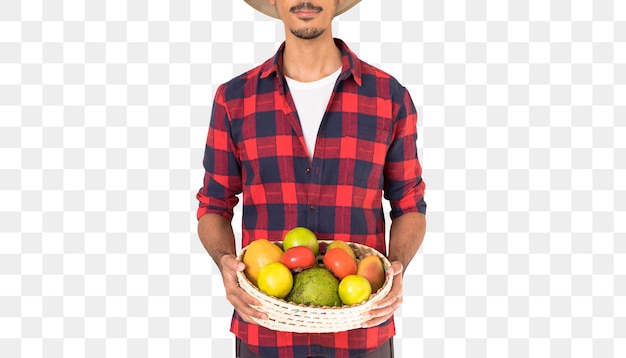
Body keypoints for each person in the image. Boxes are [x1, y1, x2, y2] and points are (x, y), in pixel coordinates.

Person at [196, 0, 426, 357]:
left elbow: (410, 204)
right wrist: (226, 261)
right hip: (265, 331)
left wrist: (395, 270)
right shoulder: (234, 100)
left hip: (362, 335)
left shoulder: (388, 97)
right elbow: (213, 204)